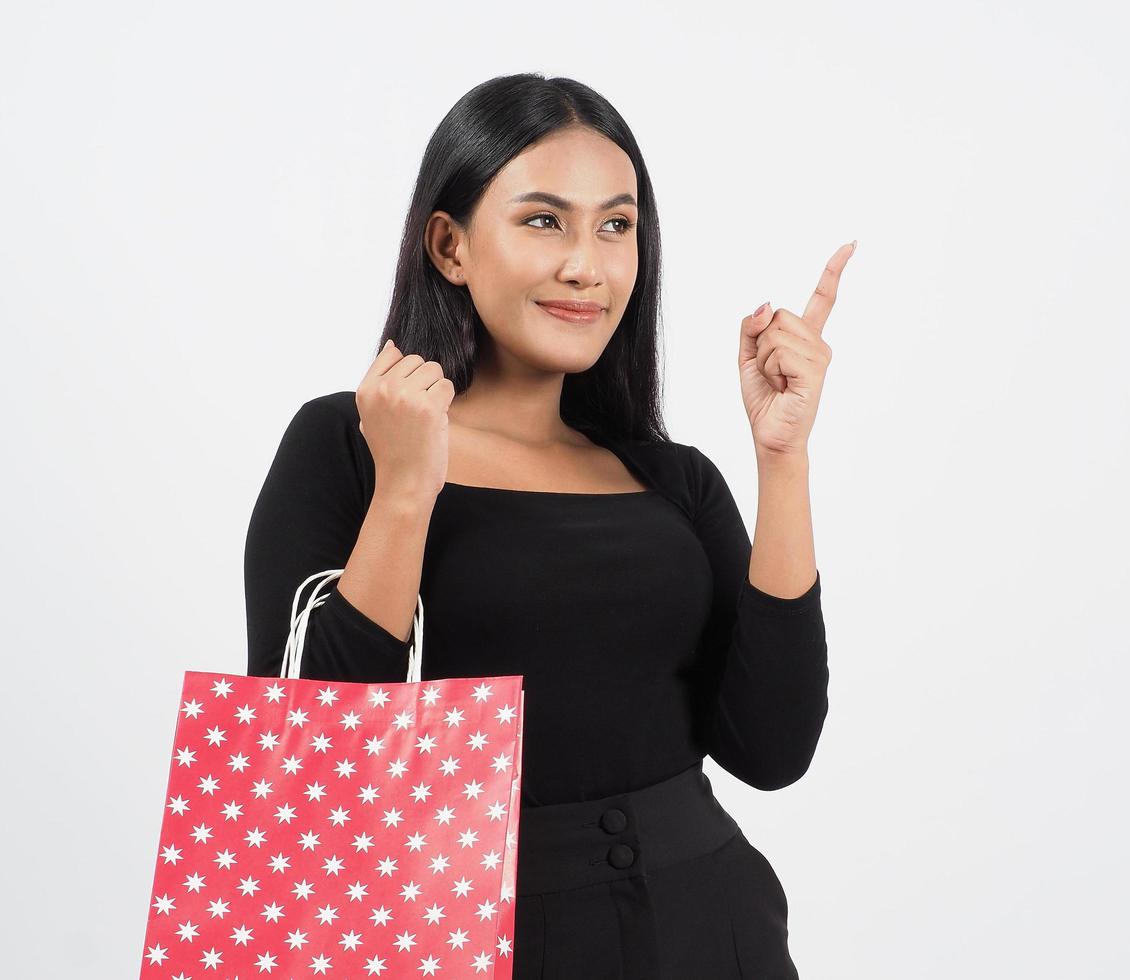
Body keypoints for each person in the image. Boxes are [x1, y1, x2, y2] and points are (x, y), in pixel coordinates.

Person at [240, 73, 854, 979]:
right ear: (448, 247)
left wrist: (782, 461)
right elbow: (310, 770)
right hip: (451, 937)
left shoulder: (673, 482)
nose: (587, 265)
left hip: (708, 928)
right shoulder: (348, 443)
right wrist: (408, 487)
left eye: (616, 225)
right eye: (543, 221)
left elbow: (772, 749)